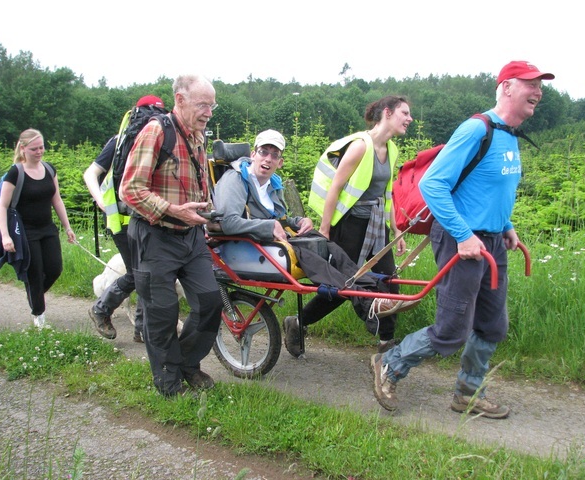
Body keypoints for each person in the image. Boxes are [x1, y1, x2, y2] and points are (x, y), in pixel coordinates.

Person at [370, 60, 555, 418]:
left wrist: (506, 225)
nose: (538, 91)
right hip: (462, 242)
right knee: (451, 330)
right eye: (530, 84)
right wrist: (464, 235)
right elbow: (433, 185)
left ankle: (468, 392)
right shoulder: (476, 129)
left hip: (491, 242)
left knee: (492, 324)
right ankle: (389, 364)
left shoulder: (509, 135)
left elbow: (489, 189)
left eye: (540, 85)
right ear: (506, 88)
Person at [213, 130, 417, 358]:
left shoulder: (272, 183)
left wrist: (299, 221)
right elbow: (228, 222)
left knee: (328, 246)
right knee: (309, 254)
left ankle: (374, 292)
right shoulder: (235, 179)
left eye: (274, 154)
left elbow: (280, 219)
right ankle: (367, 303)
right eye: (263, 152)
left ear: (280, 162)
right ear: (253, 154)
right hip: (246, 245)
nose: (268, 159)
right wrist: (267, 227)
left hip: (272, 240)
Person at [119, 74, 223, 398]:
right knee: (162, 313)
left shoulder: (199, 136)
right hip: (154, 235)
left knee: (210, 301)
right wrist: (172, 210)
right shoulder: (156, 131)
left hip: (190, 235)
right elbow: (129, 189)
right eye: (202, 104)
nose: (208, 112)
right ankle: (168, 383)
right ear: (180, 100)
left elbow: (197, 183)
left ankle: (187, 363)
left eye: (212, 105)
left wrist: (207, 212)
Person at [308, 96, 413, 353]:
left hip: (377, 226)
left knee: (389, 281)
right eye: (405, 113)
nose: (410, 119)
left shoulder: (392, 150)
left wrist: (396, 230)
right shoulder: (360, 146)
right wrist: (324, 230)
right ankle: (298, 322)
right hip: (349, 226)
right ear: (387, 113)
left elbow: (387, 194)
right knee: (344, 286)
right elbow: (335, 188)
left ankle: (385, 342)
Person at [83, 95, 165, 343]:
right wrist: (101, 200)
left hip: (145, 220)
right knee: (137, 274)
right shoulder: (119, 142)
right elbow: (91, 173)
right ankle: (101, 309)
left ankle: (141, 329)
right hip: (121, 221)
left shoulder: (158, 143)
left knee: (145, 273)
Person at [0, 129, 77, 328]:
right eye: (34, 149)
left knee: (54, 268)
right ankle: (39, 316)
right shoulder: (15, 172)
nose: (40, 151)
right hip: (25, 232)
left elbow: (56, 199)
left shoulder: (49, 169)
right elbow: (3, 206)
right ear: (23, 149)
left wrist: (67, 227)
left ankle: (34, 293)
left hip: (47, 229)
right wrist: (6, 236)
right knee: (35, 271)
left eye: (41, 147)